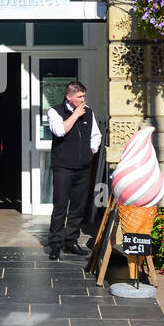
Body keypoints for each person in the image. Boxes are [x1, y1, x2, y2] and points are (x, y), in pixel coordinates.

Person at [46, 80, 101, 261]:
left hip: (83, 168)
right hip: (63, 168)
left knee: (78, 208)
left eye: (84, 96)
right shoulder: (54, 111)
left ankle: (71, 242)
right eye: (79, 97)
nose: (83, 99)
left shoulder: (89, 112)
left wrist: (90, 151)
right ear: (69, 97)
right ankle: (55, 245)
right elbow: (59, 130)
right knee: (60, 207)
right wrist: (76, 115)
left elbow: (96, 135)